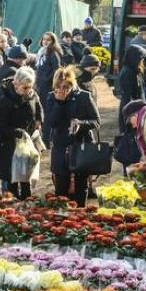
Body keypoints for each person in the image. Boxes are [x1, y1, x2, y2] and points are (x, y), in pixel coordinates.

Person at [46, 67, 100, 207]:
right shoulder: (52, 97)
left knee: (81, 187)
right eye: (59, 86)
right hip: (61, 148)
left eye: (66, 86)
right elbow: (52, 123)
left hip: (80, 146)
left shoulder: (84, 96)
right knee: (61, 188)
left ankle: (80, 212)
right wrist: (59, 103)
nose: (63, 89)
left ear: (72, 84)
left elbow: (96, 121)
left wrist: (81, 124)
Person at [0, 66, 42, 199]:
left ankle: (27, 202)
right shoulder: (6, 100)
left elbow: (38, 108)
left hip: (27, 143)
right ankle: (13, 209)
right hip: (9, 145)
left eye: (30, 87)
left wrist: (38, 120)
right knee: (12, 180)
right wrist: (16, 132)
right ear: (16, 83)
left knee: (26, 177)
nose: (28, 91)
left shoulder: (32, 95)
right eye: (25, 88)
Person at [117, 44, 146, 133]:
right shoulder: (128, 72)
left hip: (136, 107)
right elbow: (128, 95)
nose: (142, 61)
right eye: (141, 58)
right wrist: (132, 114)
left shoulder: (134, 71)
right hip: (132, 109)